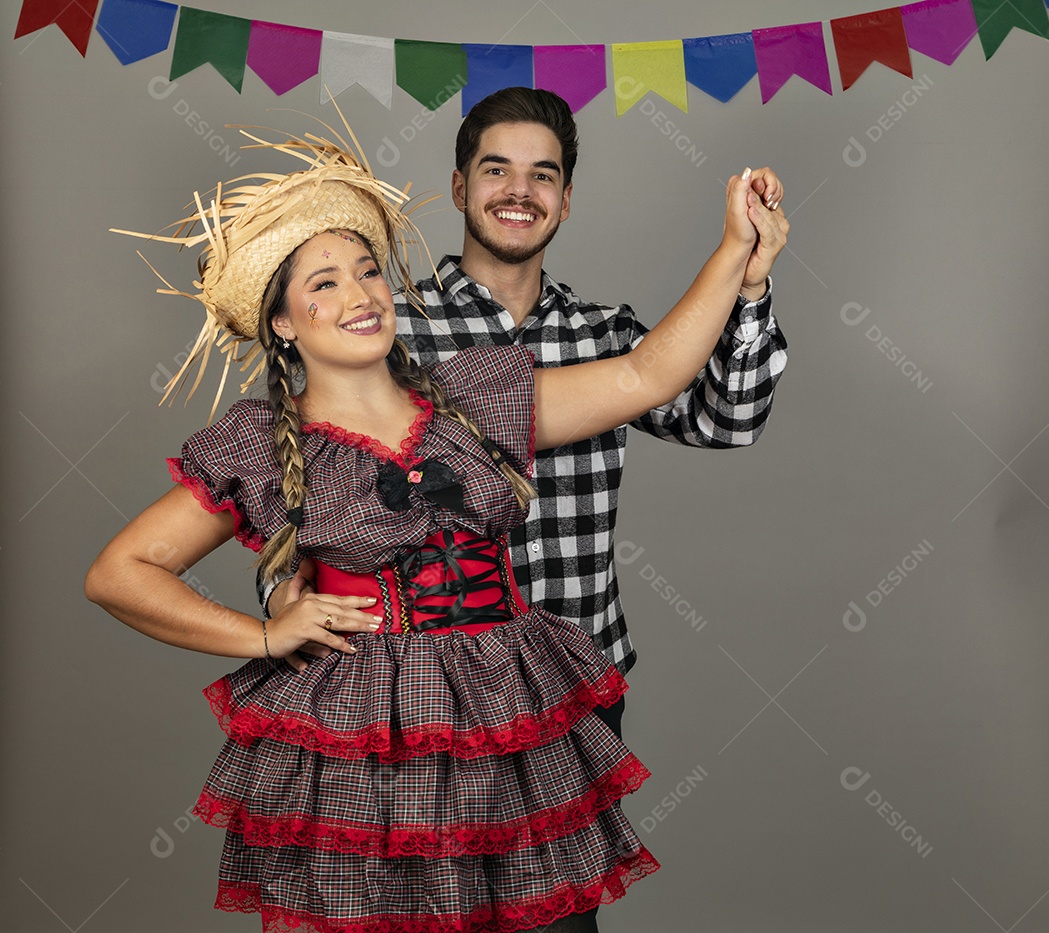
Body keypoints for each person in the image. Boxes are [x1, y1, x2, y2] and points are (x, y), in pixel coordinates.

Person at [86, 115, 786, 933]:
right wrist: (266, 635)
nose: (360, 295)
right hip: (365, 734)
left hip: (512, 711)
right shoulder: (258, 442)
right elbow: (119, 572)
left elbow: (648, 370)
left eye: (367, 271)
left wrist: (737, 250)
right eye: (324, 285)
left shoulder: (478, 394)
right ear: (283, 322)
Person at [265, 89, 790, 747]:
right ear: (459, 187)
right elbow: (304, 493)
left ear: (565, 200)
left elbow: (730, 419)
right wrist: (283, 594)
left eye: (543, 174)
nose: (520, 191)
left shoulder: (609, 336)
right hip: (429, 695)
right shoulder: (387, 332)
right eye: (497, 170)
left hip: (581, 686)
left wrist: (750, 285)